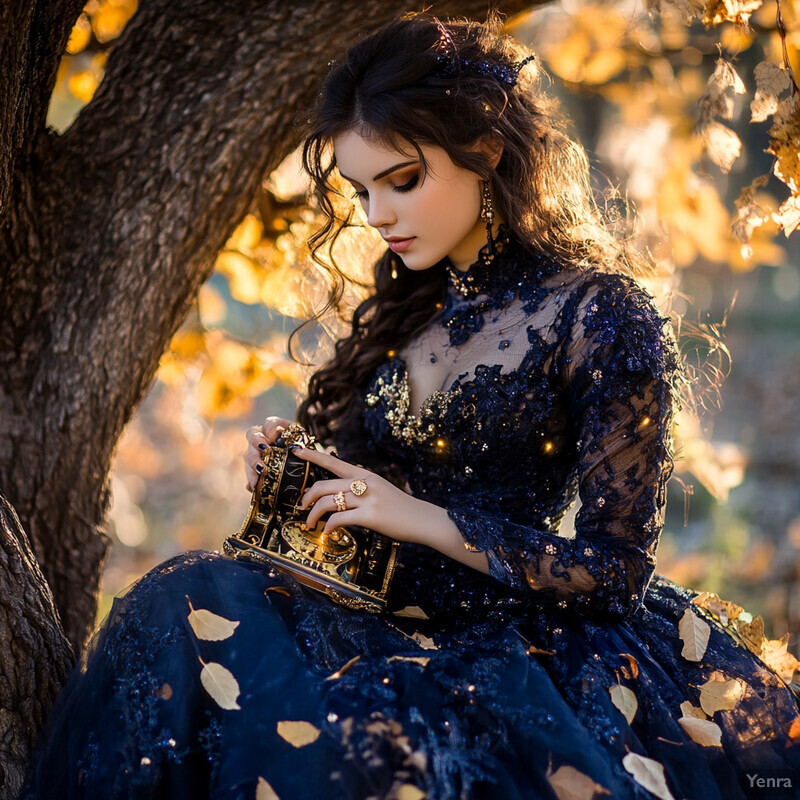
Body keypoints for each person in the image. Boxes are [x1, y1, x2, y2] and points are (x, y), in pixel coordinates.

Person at [24, 11, 800, 800]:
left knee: (360, 751)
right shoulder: (406, 309)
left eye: (402, 181)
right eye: (361, 190)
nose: (377, 215)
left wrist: (415, 515)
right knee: (177, 600)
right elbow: (357, 514)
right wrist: (298, 480)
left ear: (486, 150)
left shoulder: (599, 314)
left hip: (516, 651)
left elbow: (615, 572)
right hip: (370, 620)